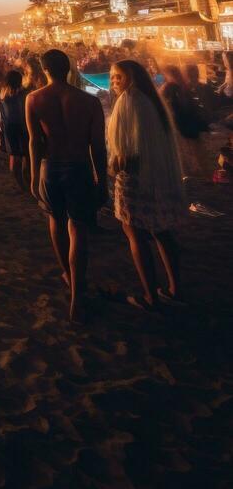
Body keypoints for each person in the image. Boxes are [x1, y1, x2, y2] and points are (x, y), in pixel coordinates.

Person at [26, 49, 107, 323]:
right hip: (80, 167)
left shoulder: (34, 99)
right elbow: (98, 146)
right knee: (78, 228)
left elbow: (35, 142)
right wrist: (102, 180)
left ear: (44, 69)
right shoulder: (88, 101)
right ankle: (77, 296)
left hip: (51, 167)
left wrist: (34, 175)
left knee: (56, 221)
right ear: (69, 68)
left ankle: (67, 275)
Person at [107, 61, 187, 310]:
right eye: (112, 77)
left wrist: (113, 168)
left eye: (118, 77)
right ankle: (175, 289)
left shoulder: (129, 101)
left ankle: (150, 296)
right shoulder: (152, 101)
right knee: (162, 231)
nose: (113, 82)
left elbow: (127, 152)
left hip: (136, 179)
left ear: (130, 78)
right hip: (157, 176)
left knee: (135, 234)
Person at [160, 65, 209, 179]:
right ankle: (202, 173)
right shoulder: (184, 86)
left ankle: (189, 175)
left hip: (179, 124)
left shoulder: (169, 87)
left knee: (182, 152)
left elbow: (162, 103)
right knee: (196, 151)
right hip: (190, 123)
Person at [0, 69, 30, 192]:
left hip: (9, 127)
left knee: (14, 154)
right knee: (25, 154)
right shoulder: (22, 94)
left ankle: (20, 183)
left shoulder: (2, 94)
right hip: (22, 126)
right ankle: (25, 183)